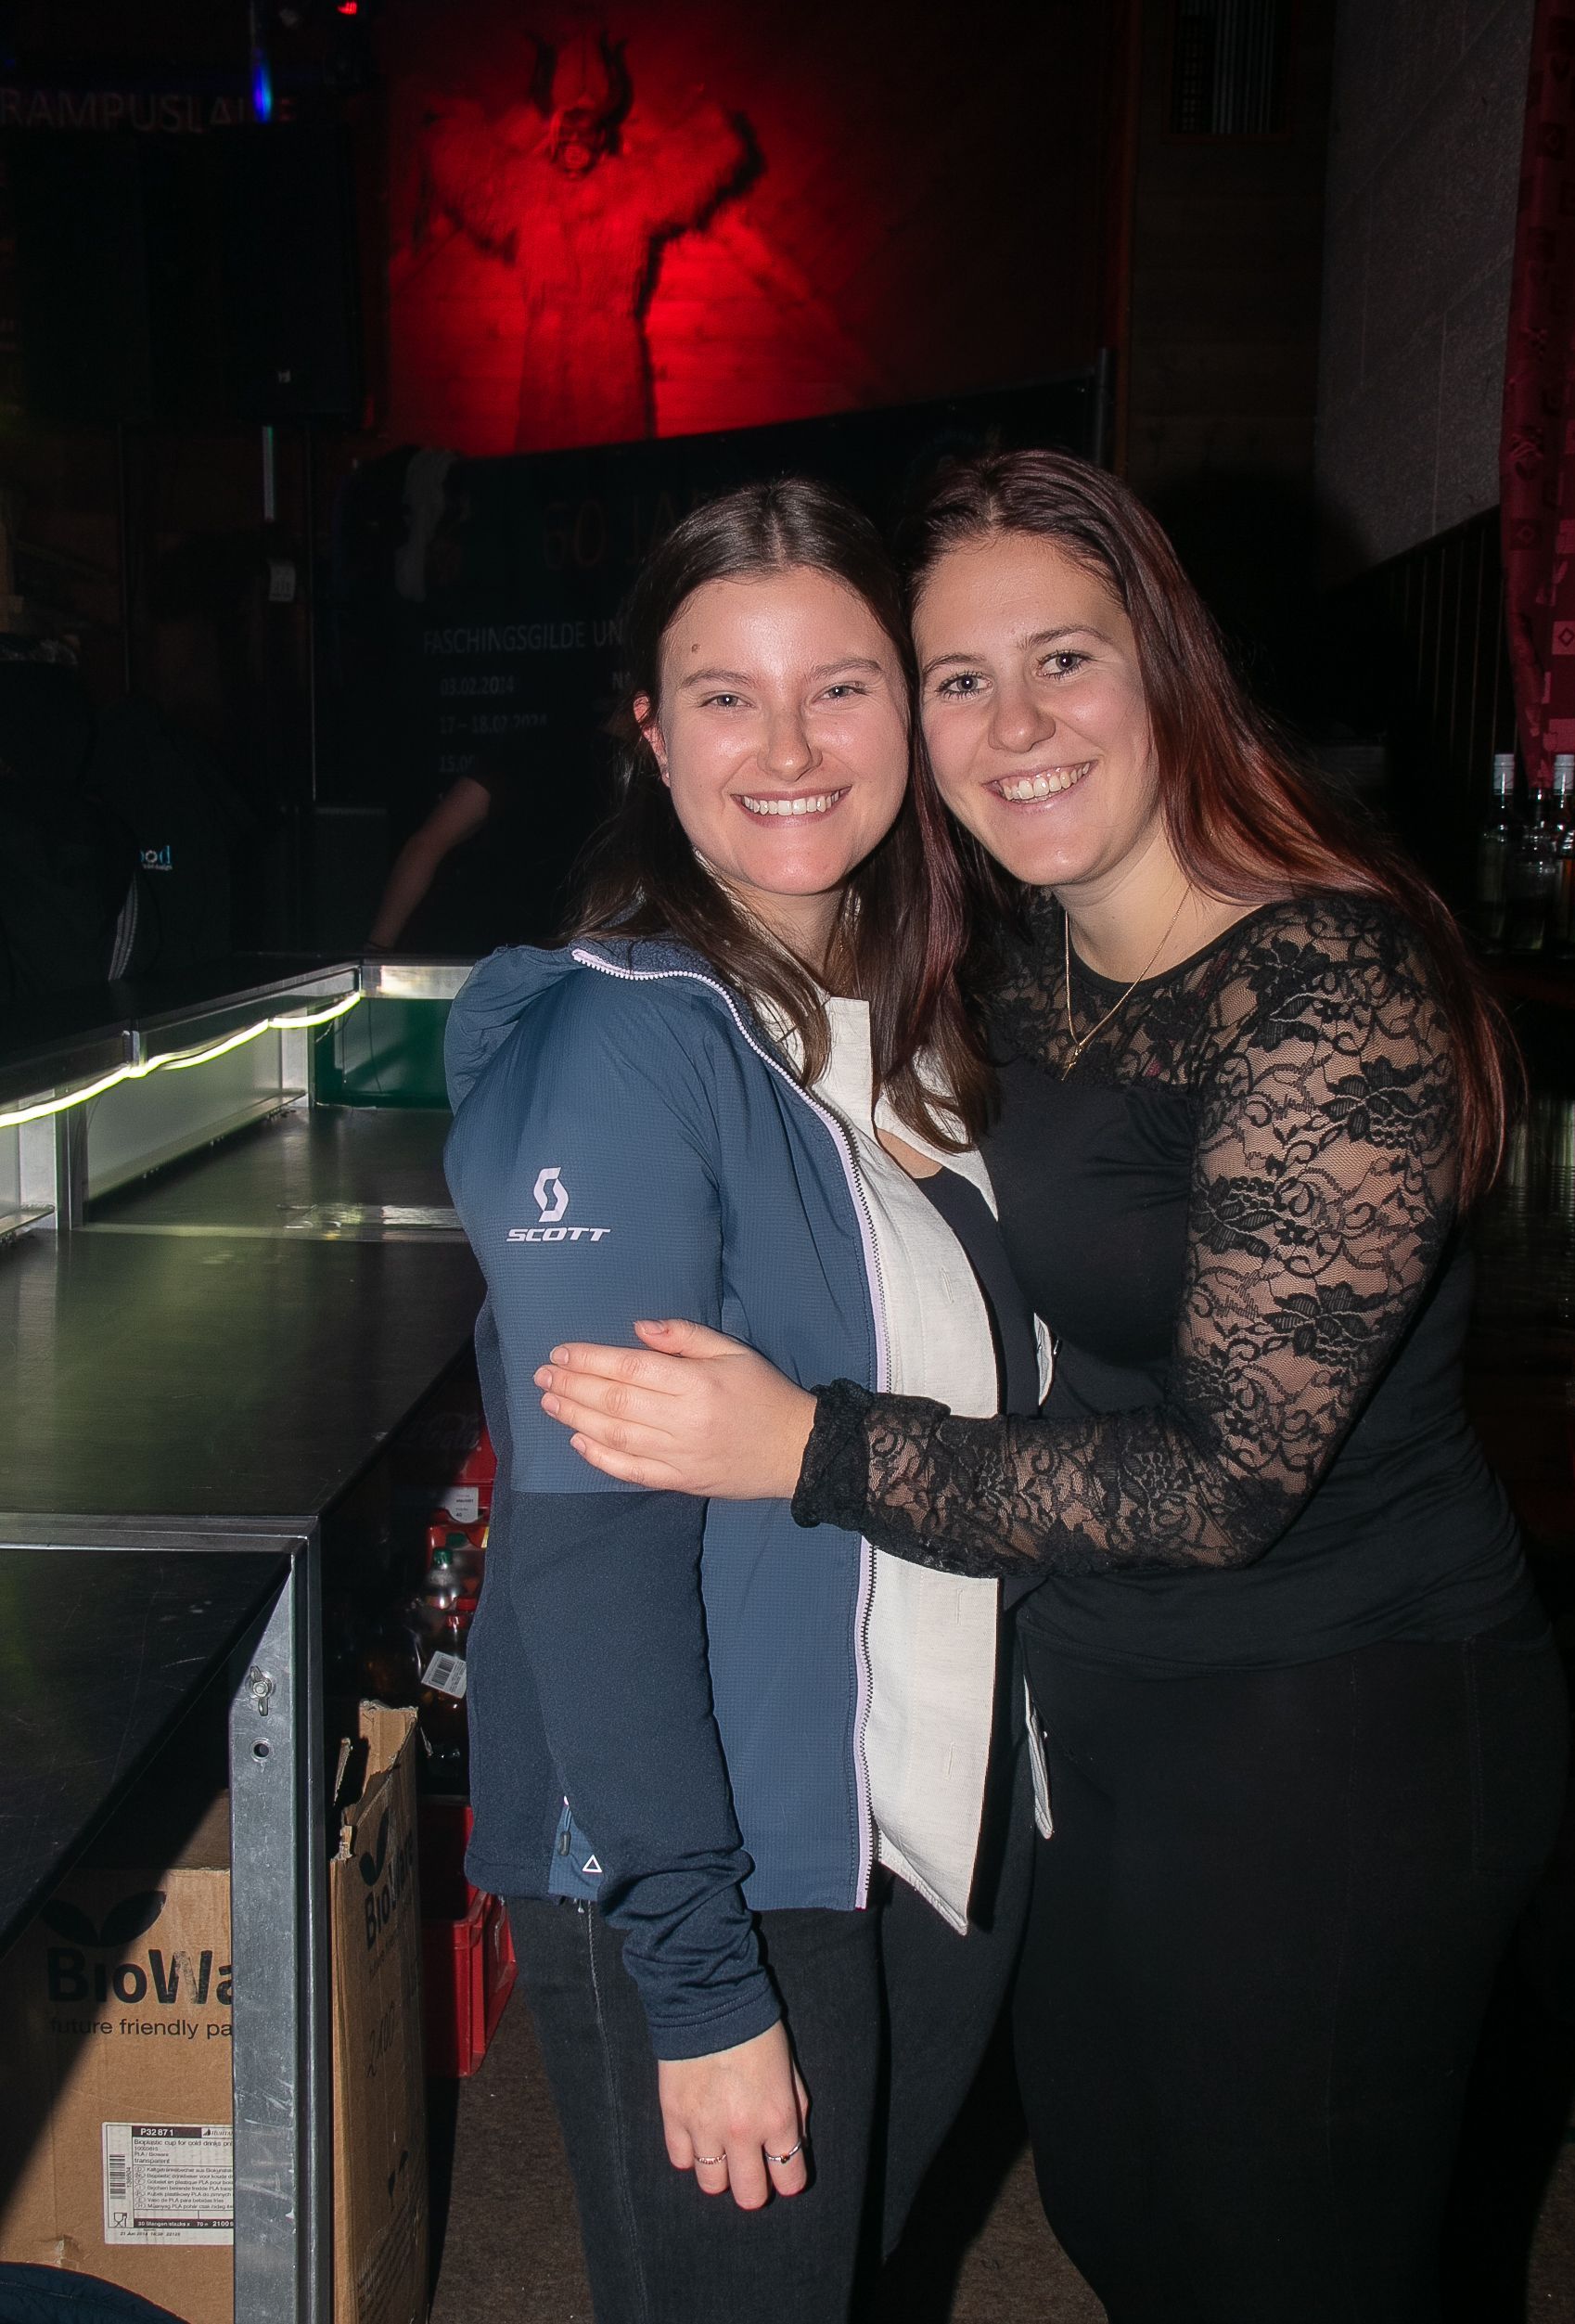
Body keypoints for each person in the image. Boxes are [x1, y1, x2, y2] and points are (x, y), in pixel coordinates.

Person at [531, 448, 1569, 2324]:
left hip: (1337, 1714)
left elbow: (1223, 1480)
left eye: (1065, 659)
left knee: (1292, 2264)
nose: (1015, 727)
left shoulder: (1325, 980)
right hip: (1093, 1711)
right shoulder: (1008, 968)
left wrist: (809, 1446)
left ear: (1168, 662)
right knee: (1124, 2222)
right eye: (957, 677)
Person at [441, 477, 1038, 2324]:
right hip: (714, 1850)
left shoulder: (908, 1025)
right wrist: (698, 1980)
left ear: (910, 711)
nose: (788, 749)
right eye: (727, 695)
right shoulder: (624, 1044)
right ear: (651, 729)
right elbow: (588, 1558)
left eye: (840, 686)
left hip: (906, 1811)